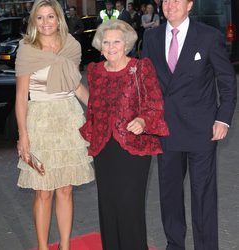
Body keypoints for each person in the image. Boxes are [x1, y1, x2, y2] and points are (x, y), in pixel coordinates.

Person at [142, 0, 237, 249]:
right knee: (170, 194)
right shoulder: (151, 38)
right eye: (166, 0)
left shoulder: (208, 36)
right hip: (166, 129)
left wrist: (223, 118)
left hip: (201, 129)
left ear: (190, 5)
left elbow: (227, 80)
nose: (170, 4)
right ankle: (174, 244)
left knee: (203, 194)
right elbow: (145, 84)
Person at [80, 19, 169, 250]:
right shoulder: (95, 72)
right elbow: (94, 107)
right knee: (108, 206)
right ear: (100, 46)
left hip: (133, 147)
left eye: (116, 41)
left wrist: (143, 120)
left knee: (129, 207)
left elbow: (155, 103)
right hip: (104, 148)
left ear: (126, 44)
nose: (111, 47)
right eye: (106, 42)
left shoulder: (141, 68)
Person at [15, 0, 94, 249]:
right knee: (44, 190)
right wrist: (23, 136)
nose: (46, 22)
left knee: (65, 189)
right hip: (40, 121)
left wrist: (102, 111)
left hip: (69, 119)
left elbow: (77, 87)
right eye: (40, 18)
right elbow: (20, 98)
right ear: (33, 22)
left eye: (50, 16)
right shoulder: (27, 49)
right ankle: (42, 246)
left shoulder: (70, 45)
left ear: (58, 18)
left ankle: (65, 245)